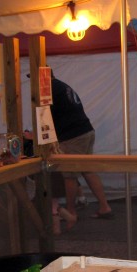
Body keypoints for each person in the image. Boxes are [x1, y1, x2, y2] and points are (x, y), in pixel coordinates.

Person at [50, 72, 112, 229]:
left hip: (73, 135)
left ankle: (71, 212)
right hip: (85, 130)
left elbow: (46, 116)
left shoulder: (50, 88)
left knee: (69, 174)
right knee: (88, 170)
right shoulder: (62, 86)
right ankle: (104, 207)